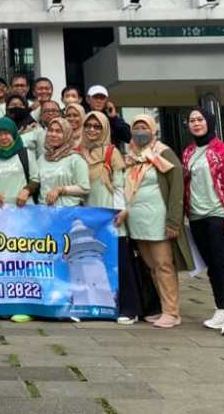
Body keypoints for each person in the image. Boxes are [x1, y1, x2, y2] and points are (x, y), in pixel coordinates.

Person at [123, 114, 194, 329]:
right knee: (151, 267)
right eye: (136, 127)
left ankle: (171, 312)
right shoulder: (130, 156)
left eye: (144, 126)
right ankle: (164, 307)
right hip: (137, 221)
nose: (140, 131)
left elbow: (176, 187)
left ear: (153, 129)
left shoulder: (163, 153)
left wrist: (174, 220)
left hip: (158, 219)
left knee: (164, 265)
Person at [182, 107, 224, 337]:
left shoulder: (221, 150)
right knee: (211, 266)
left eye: (200, 119)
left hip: (219, 215)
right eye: (192, 120)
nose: (196, 123)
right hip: (197, 217)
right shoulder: (188, 152)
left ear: (208, 122)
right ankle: (221, 309)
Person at [82, 111, 140, 325]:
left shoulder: (112, 152)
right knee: (93, 262)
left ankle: (129, 307)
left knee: (120, 261)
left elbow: (119, 184)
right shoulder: (79, 153)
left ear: (105, 128)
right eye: (88, 126)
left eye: (98, 126)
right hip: (88, 214)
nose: (92, 130)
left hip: (110, 214)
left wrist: (120, 210)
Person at [38, 118, 90, 208]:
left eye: (58, 131)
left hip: (68, 212)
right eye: (50, 130)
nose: (53, 134)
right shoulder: (42, 159)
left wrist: (60, 190)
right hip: (44, 213)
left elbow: (84, 188)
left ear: (67, 134)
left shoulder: (75, 159)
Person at [0, 117, 35, 208]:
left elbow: (36, 179)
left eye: (6, 133)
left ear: (13, 134)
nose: (3, 137)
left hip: (24, 207)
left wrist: (27, 190)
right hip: (0, 209)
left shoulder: (25, 154)